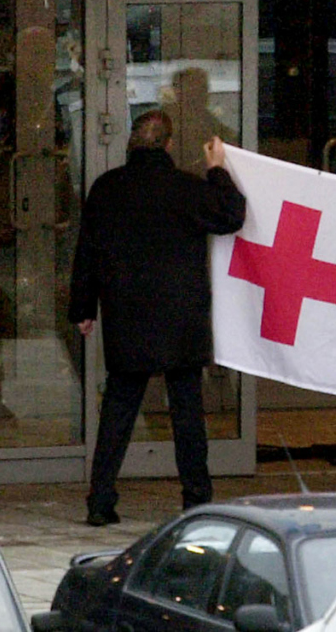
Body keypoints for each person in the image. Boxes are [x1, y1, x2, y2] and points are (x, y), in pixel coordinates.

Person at [68, 110, 246, 525]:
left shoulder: (107, 188)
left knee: (118, 410)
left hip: (126, 315)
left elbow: (87, 251)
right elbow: (232, 215)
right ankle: (196, 500)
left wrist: (82, 308)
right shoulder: (186, 188)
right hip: (180, 318)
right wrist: (217, 169)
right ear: (168, 144)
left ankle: (100, 501)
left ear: (132, 144)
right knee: (187, 413)